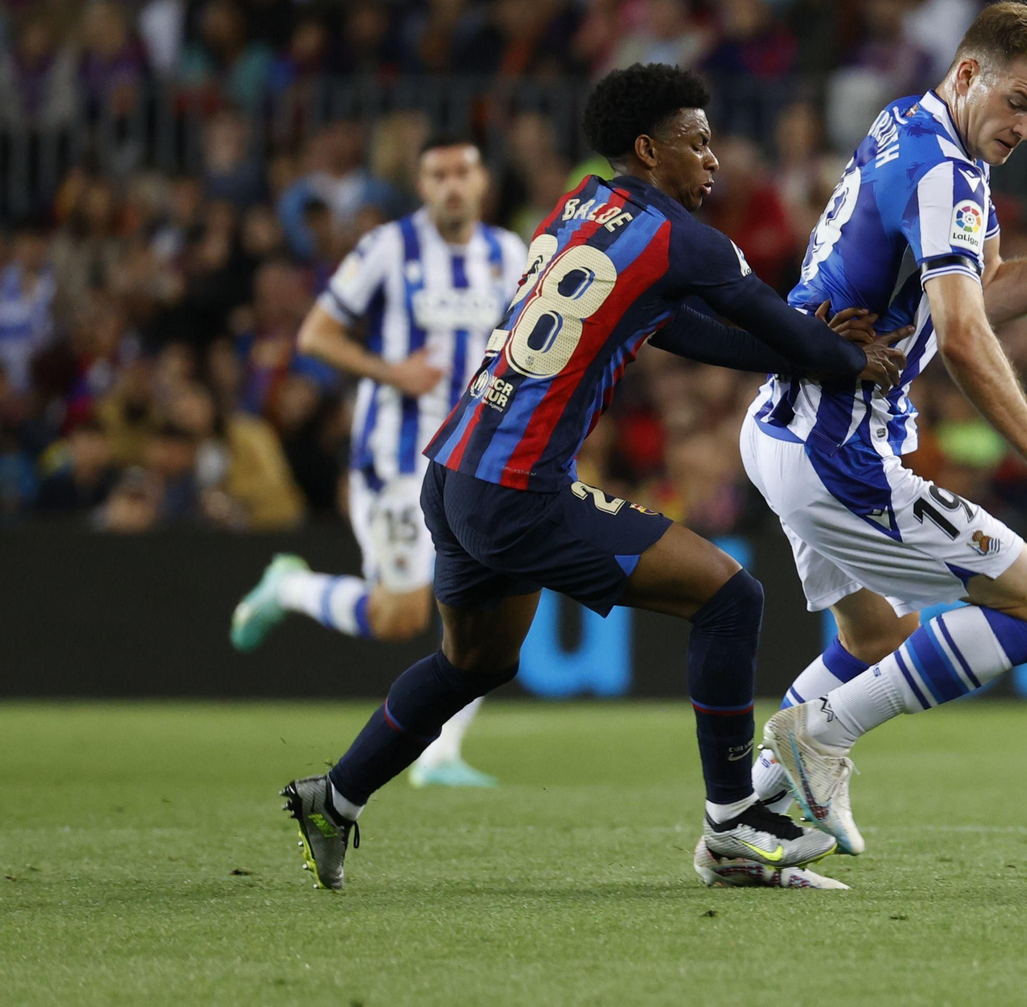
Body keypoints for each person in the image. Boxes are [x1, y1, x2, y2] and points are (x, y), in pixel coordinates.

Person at [276, 63, 910, 892]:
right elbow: (779, 330)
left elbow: (676, 327)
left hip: (455, 469)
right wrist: (844, 357)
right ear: (650, 148)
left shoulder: (583, 203)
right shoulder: (691, 240)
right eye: (697, 141)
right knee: (731, 597)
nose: (714, 159)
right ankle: (731, 823)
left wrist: (814, 350)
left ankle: (336, 796)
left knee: (473, 662)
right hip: (519, 488)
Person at [741, 2, 1027, 865]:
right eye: (1020, 103)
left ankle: (740, 822)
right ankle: (823, 738)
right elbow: (962, 334)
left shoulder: (915, 131)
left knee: (873, 638)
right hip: (834, 447)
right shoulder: (945, 172)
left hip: (783, 427)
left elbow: (974, 294)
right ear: (968, 76)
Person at [230, 135, 525, 788]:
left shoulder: (509, 255)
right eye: (437, 173)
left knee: (495, 606)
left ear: (482, 183)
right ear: (421, 186)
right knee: (400, 615)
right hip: (395, 459)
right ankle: (290, 586)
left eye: (463, 171)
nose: (451, 184)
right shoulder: (389, 248)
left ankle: (441, 756)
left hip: (475, 458)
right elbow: (315, 334)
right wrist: (390, 370)